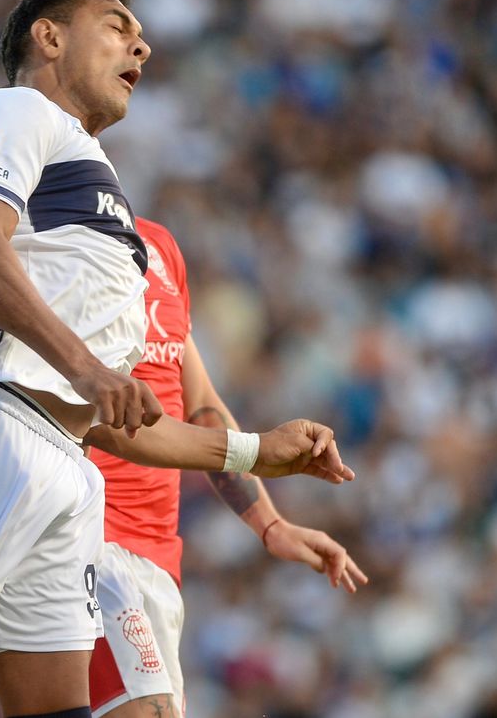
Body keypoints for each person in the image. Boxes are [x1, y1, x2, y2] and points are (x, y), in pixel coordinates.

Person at [0, 0, 356, 718]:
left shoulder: (107, 196)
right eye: (117, 25)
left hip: (67, 460)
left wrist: (253, 452)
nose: (141, 43)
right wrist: (86, 369)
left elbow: (122, 416)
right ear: (48, 38)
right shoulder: (12, 109)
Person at [87, 217, 370, 717]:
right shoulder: (48, 237)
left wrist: (271, 523)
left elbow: (199, 404)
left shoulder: (158, 244)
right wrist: (258, 449)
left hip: (157, 556)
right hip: (89, 540)